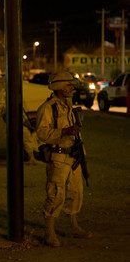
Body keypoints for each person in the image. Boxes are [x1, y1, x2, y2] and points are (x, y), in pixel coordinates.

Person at [36, 71, 93, 247]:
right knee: (56, 193)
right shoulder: (48, 108)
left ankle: (73, 226)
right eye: (69, 85)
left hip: (73, 155)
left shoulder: (67, 105)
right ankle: (49, 232)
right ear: (58, 86)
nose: (72, 88)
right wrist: (63, 132)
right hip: (59, 156)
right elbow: (42, 132)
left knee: (76, 191)